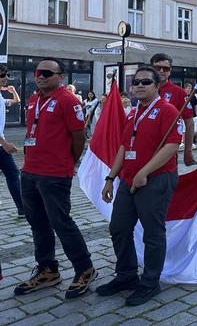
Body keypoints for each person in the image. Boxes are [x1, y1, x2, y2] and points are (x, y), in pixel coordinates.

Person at [97, 66, 181, 306]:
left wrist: (145, 172)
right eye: (136, 83)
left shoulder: (167, 110)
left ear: (156, 86)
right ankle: (126, 275)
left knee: (153, 234)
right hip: (128, 178)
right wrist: (110, 178)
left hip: (156, 178)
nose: (140, 86)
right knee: (119, 228)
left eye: (146, 82)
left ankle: (150, 282)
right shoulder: (132, 113)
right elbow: (124, 147)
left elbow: (173, 145)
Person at [14, 58, 97, 298]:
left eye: (47, 73)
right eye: (38, 72)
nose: (40, 76)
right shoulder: (33, 98)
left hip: (55, 174)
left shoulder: (68, 100)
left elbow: (78, 136)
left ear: (61, 76)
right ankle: (48, 269)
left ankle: (85, 268)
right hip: (30, 172)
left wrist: (68, 162)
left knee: (61, 223)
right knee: (37, 223)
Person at [150, 53, 196, 166]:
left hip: (167, 149)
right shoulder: (143, 88)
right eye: (157, 68)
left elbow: (189, 123)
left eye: (165, 68)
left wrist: (188, 150)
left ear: (170, 71)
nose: (161, 71)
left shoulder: (178, 92)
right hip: (144, 147)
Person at [0, 64, 23, 216]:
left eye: (6, 75)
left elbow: (16, 101)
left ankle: (22, 208)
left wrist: (13, 91)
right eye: (3, 75)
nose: (6, 78)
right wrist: (5, 143)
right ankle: (22, 208)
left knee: (13, 174)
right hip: (1, 145)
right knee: (13, 174)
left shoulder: (1, 97)